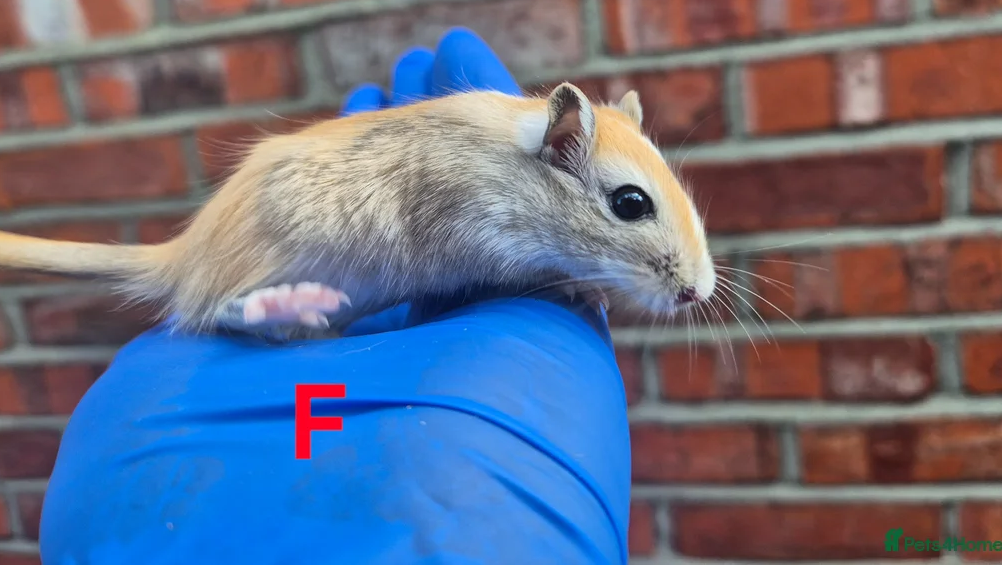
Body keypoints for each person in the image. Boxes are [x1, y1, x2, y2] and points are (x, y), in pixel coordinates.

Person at [39, 28, 633, 565]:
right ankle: (239, 306)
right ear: (559, 142)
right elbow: (477, 248)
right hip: (274, 242)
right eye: (630, 206)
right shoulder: (503, 176)